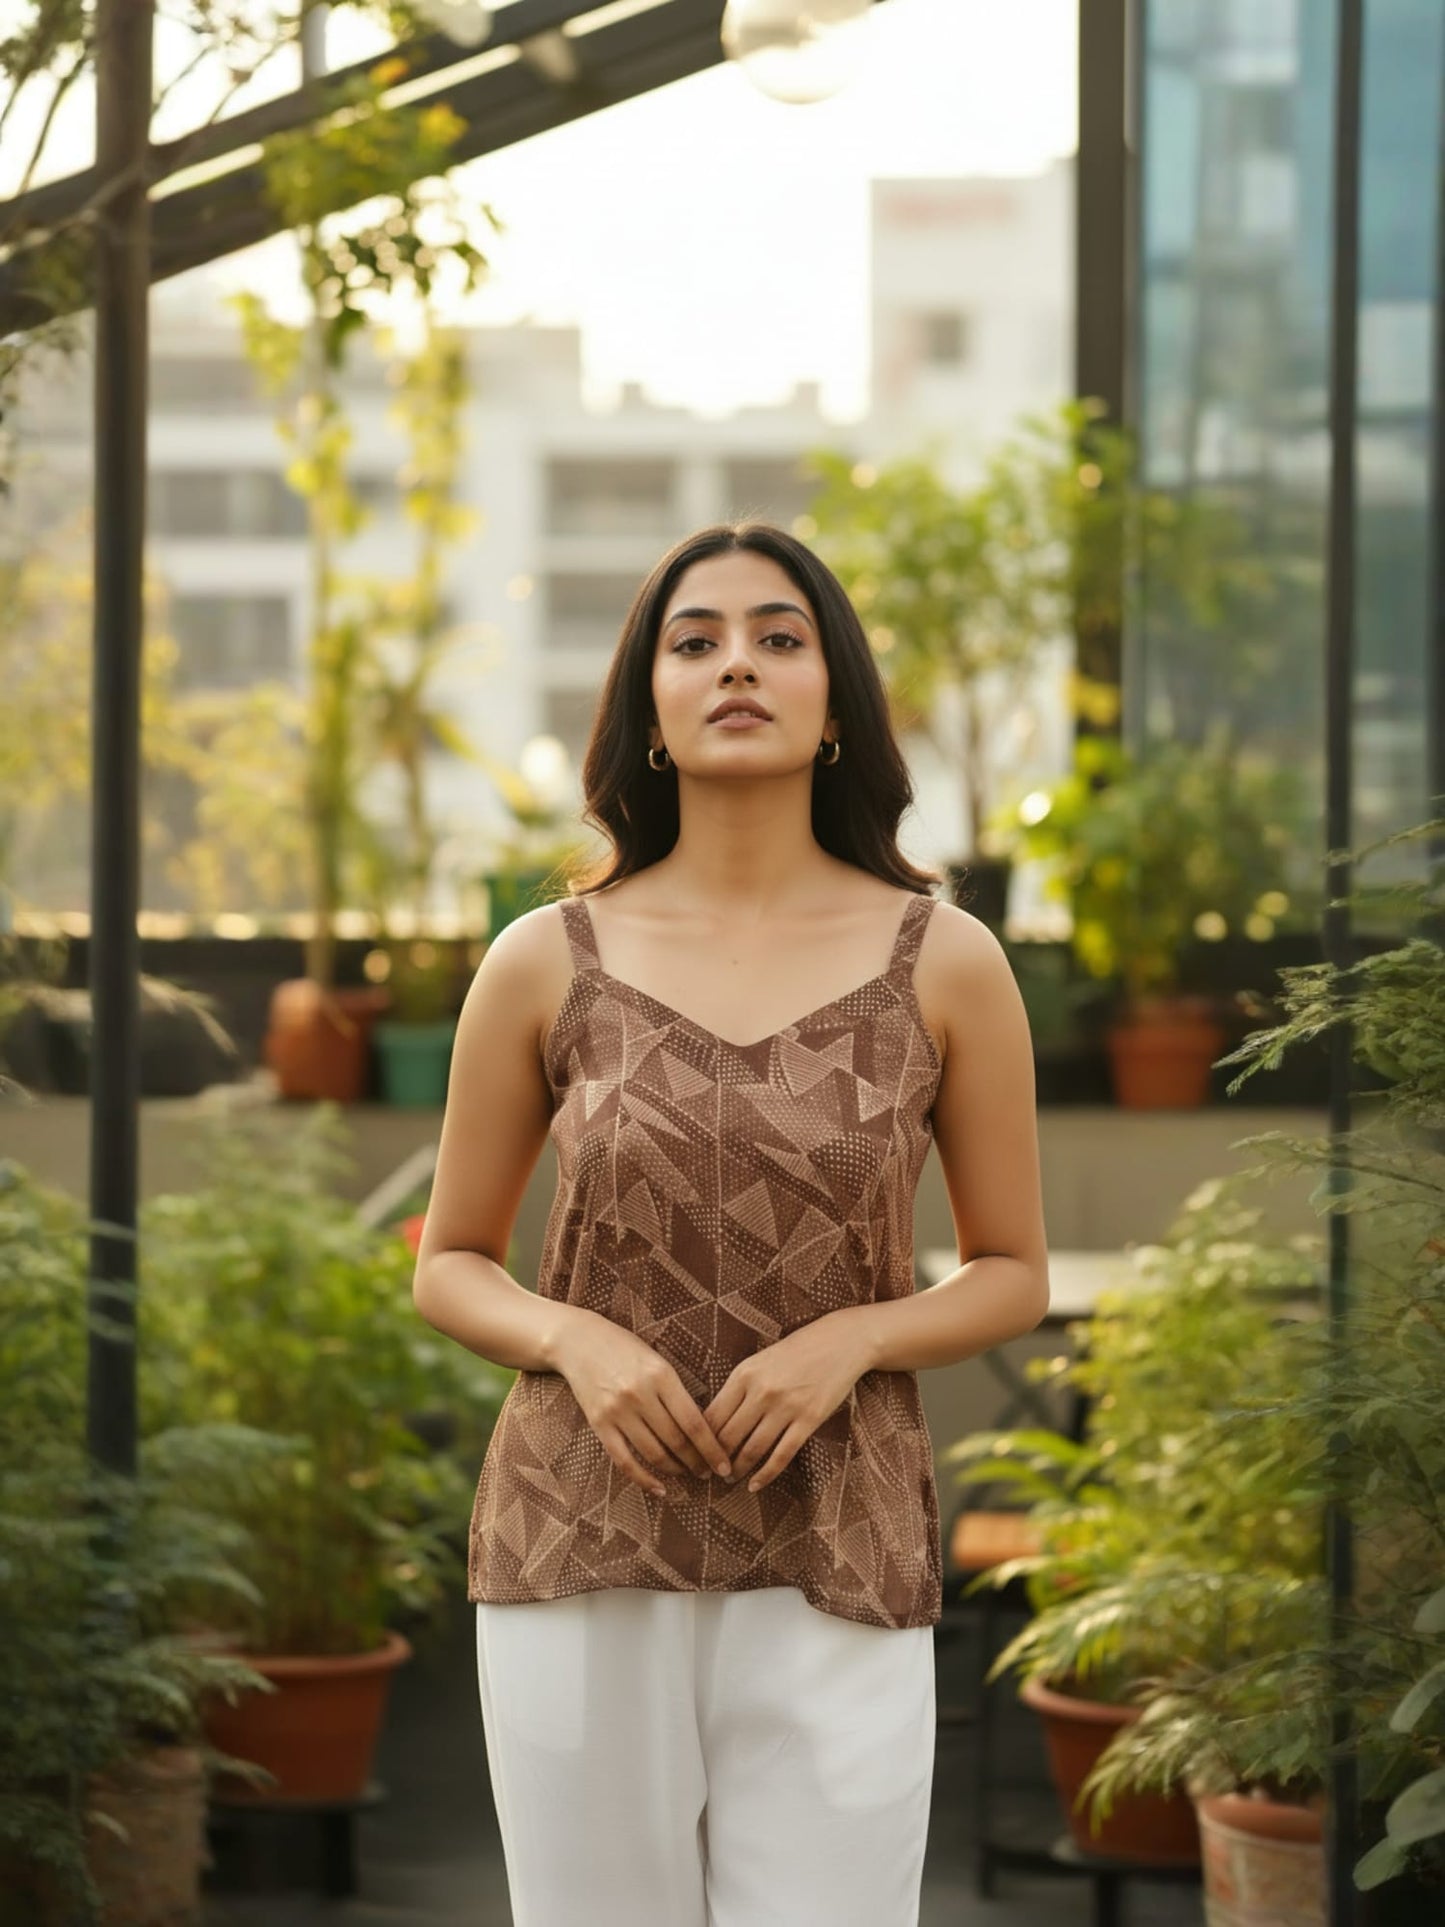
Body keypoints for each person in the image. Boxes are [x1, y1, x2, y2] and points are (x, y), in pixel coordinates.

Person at [412, 523, 1050, 1927]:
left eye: (778, 637)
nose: (737, 666)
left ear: (837, 701)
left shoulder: (946, 960)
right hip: (579, 1535)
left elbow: (1012, 1271)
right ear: (649, 709)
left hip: (838, 1536)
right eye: (694, 642)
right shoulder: (541, 960)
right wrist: (575, 1342)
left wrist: (853, 1341)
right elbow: (449, 1263)